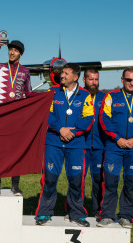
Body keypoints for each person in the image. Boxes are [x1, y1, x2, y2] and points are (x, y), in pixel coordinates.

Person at [35, 63, 94, 227]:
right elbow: (46, 113)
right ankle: (44, 213)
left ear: (75, 77)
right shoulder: (52, 92)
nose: (62, 75)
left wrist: (72, 133)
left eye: (66, 73)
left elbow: (88, 118)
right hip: (53, 142)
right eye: (62, 73)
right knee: (49, 178)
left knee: (76, 180)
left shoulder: (85, 95)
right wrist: (60, 129)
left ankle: (76, 214)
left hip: (75, 144)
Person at [97, 67, 133, 229]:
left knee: (130, 183)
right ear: (122, 80)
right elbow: (104, 119)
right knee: (110, 181)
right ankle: (107, 215)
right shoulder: (111, 97)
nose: (131, 83)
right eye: (128, 80)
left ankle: (126, 216)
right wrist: (118, 138)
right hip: (114, 147)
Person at [0, 39, 34, 196]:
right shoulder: (0, 67)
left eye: (15, 51)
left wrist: (48, 95)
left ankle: (15, 185)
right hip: (0, 116)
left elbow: (29, 92)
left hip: (17, 118)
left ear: (20, 54)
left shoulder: (25, 71)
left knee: (16, 152)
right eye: (10, 49)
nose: (12, 52)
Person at [82, 68, 106, 219]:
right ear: (84, 80)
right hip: (81, 146)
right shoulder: (78, 95)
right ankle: (75, 209)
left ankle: (98, 210)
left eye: (96, 79)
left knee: (98, 180)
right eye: (91, 79)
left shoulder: (105, 97)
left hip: (99, 147)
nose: (94, 82)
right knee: (78, 179)